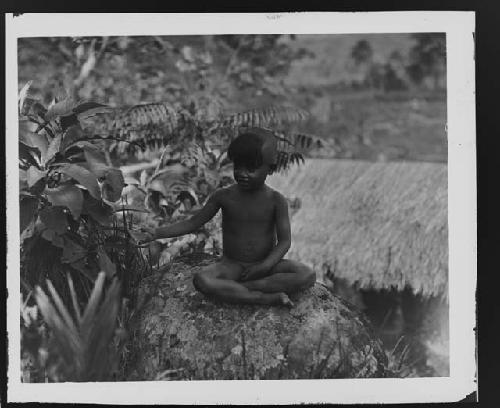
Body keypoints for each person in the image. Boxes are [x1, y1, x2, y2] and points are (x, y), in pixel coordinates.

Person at [138, 128, 316, 306]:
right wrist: (156, 233)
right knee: (202, 279)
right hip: (232, 266)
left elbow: (284, 241)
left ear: (270, 168)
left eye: (251, 168)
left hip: (266, 265)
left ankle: (240, 288)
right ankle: (261, 297)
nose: (243, 173)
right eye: (238, 166)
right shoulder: (223, 196)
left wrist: (265, 266)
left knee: (307, 275)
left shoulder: (276, 201)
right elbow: (193, 223)